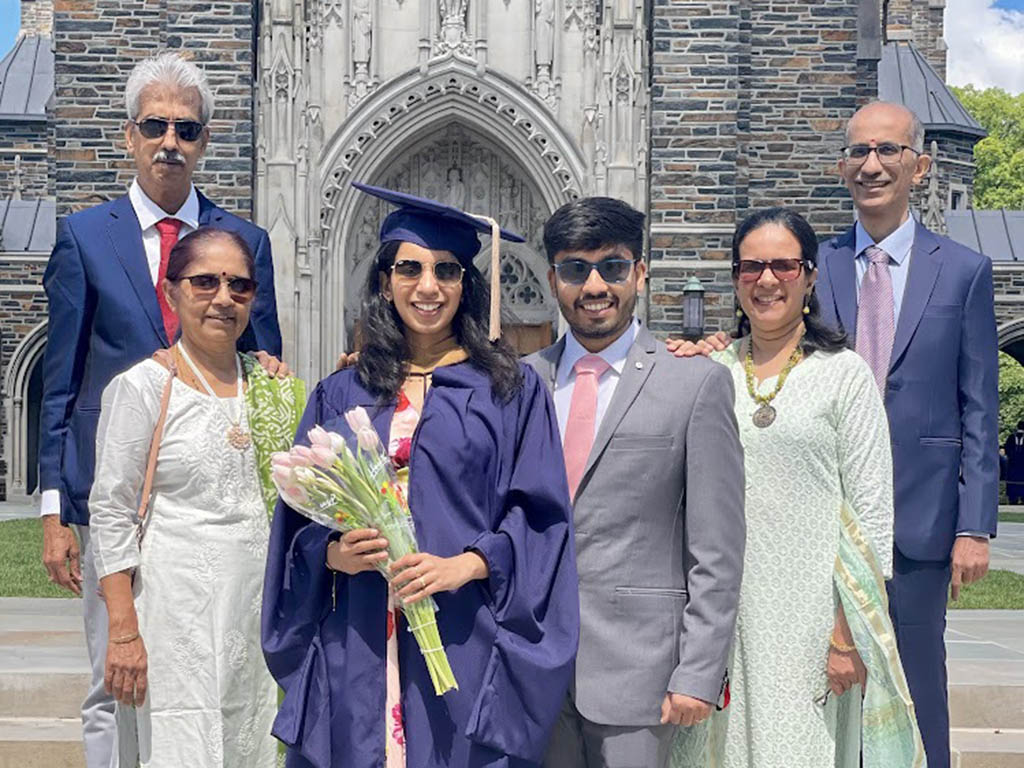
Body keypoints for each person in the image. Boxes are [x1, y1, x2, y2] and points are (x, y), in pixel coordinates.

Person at [670, 101, 999, 768]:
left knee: (913, 687)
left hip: (918, 514)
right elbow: (769, 340)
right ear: (841, 166)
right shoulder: (820, 259)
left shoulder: (961, 271)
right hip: (804, 514)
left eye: (889, 151)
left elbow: (979, 406)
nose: (872, 165)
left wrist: (975, 525)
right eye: (858, 152)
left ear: (920, 165)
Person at [262, 183, 579, 768]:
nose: (428, 286)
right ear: (385, 282)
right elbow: (296, 524)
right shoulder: (342, 390)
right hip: (357, 636)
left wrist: (469, 563)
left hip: (465, 633)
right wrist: (335, 554)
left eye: (447, 270)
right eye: (409, 268)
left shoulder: (510, 391)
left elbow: (540, 516)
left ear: (467, 285)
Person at [38, 51, 285, 768]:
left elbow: (261, 363)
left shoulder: (247, 244)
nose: (170, 141)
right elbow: (62, 380)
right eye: (155, 125)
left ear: (205, 140)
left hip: (215, 505)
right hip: (116, 496)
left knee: (225, 676)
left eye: (186, 127)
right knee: (113, 677)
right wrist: (56, 507)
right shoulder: (85, 237)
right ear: (130, 136)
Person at [670, 208, 922, 767]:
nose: (766, 280)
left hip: (811, 619)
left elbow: (873, 514)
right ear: (734, 278)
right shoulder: (709, 371)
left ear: (808, 276)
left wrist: (845, 635)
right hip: (722, 614)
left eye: (783, 266)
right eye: (751, 266)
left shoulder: (844, 374)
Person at [521, 196, 745, 768]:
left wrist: (698, 670)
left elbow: (716, 549)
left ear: (639, 274)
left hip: (641, 671)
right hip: (532, 664)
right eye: (575, 269)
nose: (595, 285)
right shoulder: (522, 383)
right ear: (553, 279)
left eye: (612, 267)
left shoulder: (694, 383)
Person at [88, 228, 305, 767]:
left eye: (240, 286)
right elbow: (111, 511)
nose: (224, 298)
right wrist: (121, 635)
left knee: (256, 739)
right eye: (205, 282)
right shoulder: (142, 389)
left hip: (261, 615)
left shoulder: (273, 388)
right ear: (172, 292)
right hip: (173, 617)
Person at [1004, 420, 1024, 504]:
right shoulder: (1012, 438)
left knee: (1013, 486)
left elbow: (1006, 449)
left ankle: (1013, 499)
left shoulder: (1011, 437)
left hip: (1012, 465)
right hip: (1022, 466)